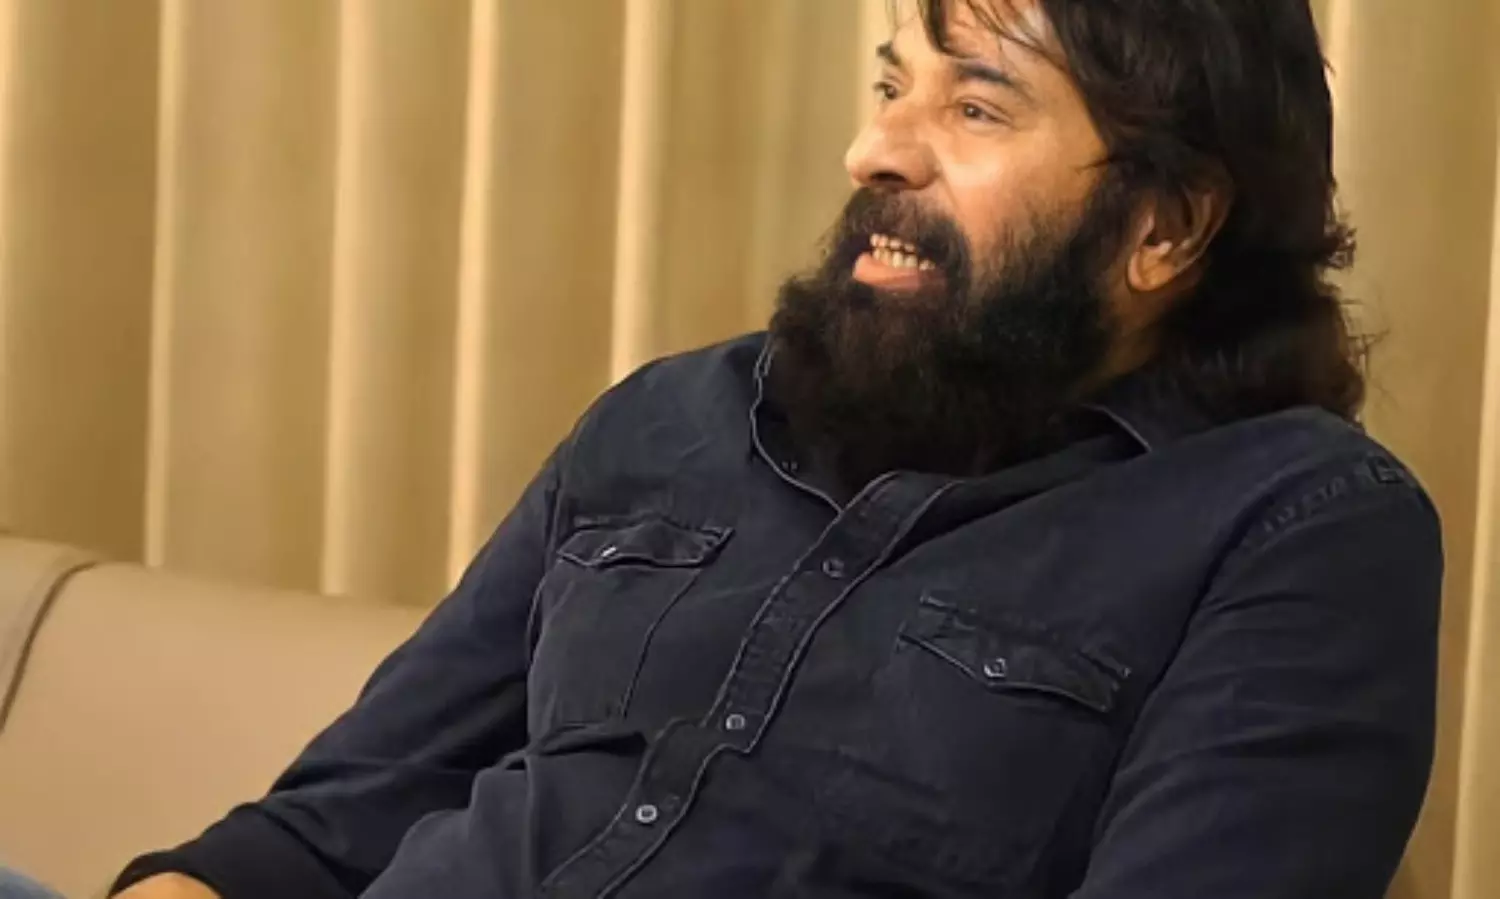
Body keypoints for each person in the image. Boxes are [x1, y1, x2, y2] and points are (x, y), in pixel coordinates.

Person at [105, 1, 1442, 897]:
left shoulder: (1294, 529)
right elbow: (332, 822)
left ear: (1168, 227)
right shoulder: (670, 417)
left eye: (976, 109)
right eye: (891, 87)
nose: (875, 150)